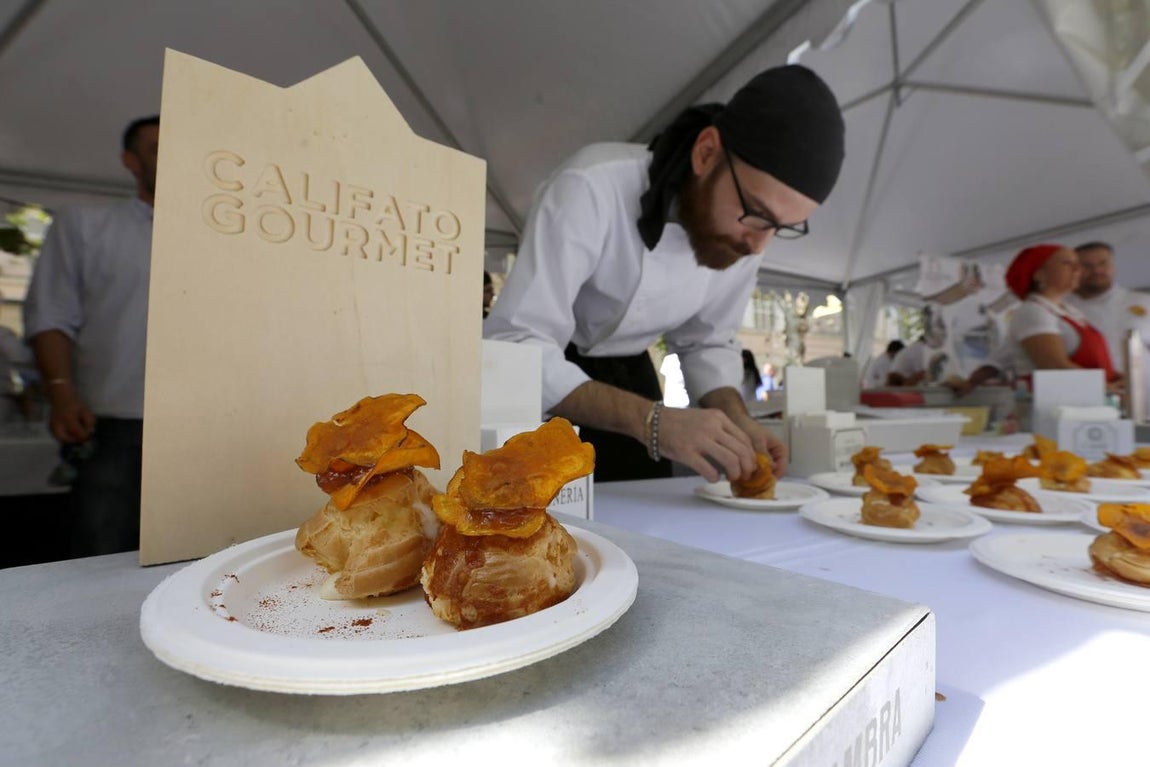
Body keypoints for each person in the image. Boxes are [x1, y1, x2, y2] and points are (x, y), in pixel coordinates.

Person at [485, 65, 844, 482]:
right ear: (706, 152)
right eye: (758, 215)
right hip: (545, 388)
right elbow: (517, 343)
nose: (759, 245)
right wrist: (653, 421)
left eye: (781, 228)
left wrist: (735, 418)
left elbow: (706, 341)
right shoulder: (591, 187)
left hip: (634, 382)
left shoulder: (746, 233)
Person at [23, 114, 159, 557]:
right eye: (158, 148)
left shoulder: (220, 234)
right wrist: (61, 394)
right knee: (103, 551)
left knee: (195, 557)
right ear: (130, 161)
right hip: (114, 423)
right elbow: (51, 314)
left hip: (206, 422)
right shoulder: (84, 224)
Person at [1002, 243, 1118, 386]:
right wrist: (1108, 386)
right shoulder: (1033, 311)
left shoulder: (1070, 311)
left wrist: (1116, 378)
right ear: (1039, 274)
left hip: (1086, 400)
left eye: (1077, 264)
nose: (1077, 269)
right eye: (1067, 263)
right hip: (1056, 404)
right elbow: (1054, 366)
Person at [1065, 242, 1150, 399]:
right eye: (1087, 265)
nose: (1097, 270)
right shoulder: (1061, 308)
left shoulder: (1143, 302)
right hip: (1087, 398)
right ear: (1074, 270)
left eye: (1103, 263)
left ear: (1113, 265)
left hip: (1144, 396)